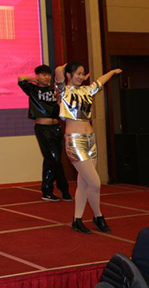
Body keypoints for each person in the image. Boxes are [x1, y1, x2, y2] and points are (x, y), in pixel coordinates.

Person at [54, 62, 121, 234]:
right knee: (95, 183)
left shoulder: (87, 90)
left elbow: (101, 80)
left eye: (83, 73)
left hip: (91, 140)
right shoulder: (63, 91)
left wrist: (112, 71)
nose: (81, 76)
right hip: (75, 141)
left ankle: (77, 220)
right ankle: (98, 216)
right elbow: (58, 70)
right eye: (77, 73)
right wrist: (69, 66)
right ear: (69, 75)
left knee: (84, 183)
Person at [18, 65, 72, 202]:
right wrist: (34, 80)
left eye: (48, 75)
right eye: (43, 74)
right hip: (43, 128)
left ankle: (48, 191)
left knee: (52, 160)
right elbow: (20, 79)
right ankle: (63, 188)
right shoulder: (32, 89)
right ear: (37, 76)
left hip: (57, 128)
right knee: (54, 159)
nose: (47, 77)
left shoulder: (54, 89)